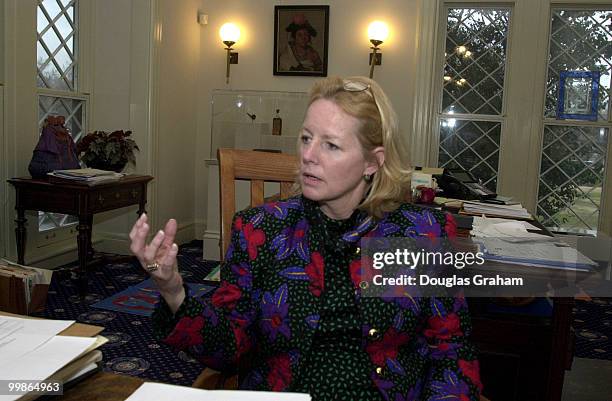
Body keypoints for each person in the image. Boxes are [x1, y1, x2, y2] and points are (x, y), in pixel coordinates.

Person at [129, 76, 483, 400]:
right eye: (306, 138)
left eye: (330, 145)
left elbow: (451, 350)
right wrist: (174, 290)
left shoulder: (420, 234)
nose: (308, 156)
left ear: (372, 163)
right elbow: (227, 349)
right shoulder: (260, 231)